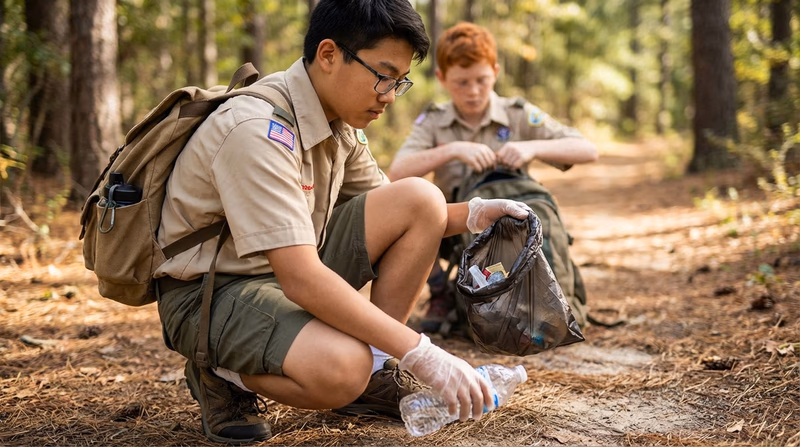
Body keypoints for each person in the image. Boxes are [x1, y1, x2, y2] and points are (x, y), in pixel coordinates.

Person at [154, 1, 533, 444]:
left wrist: (474, 214)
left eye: (400, 82)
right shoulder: (256, 129)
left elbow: (405, 212)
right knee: (342, 369)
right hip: (211, 294)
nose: (390, 96)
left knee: (421, 197)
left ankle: (374, 366)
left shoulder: (339, 123)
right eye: (383, 76)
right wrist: (419, 351)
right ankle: (220, 373)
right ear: (330, 54)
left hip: (280, 274)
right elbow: (300, 278)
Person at [389, 22, 598, 334]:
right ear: (443, 78)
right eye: (461, 83)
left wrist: (532, 148)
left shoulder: (516, 112)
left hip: (512, 228)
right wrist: (452, 150)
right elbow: (397, 171)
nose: (473, 91)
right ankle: (442, 293)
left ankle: (541, 296)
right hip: (452, 231)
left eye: (481, 80)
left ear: (495, 72)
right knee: (407, 211)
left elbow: (587, 150)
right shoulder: (435, 121)